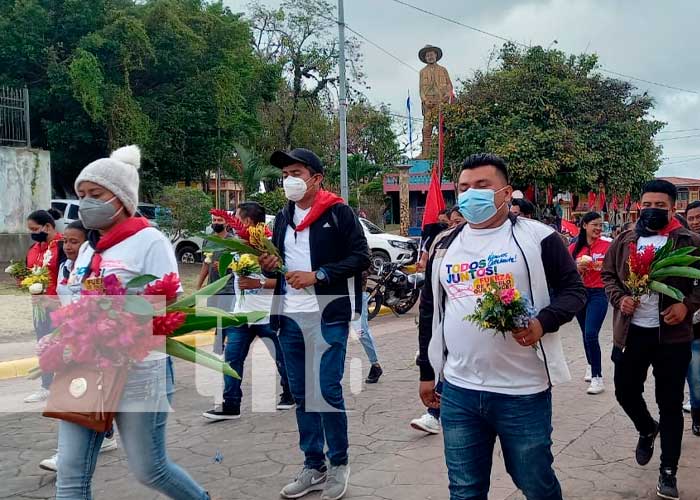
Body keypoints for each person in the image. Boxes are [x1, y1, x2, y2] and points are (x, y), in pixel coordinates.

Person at [418, 153, 585, 500]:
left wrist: (542, 323)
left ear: (506, 193)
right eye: (463, 187)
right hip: (459, 390)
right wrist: (426, 371)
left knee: (534, 482)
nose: (469, 194)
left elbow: (574, 292)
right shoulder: (444, 244)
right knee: (464, 490)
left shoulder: (538, 238)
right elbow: (430, 311)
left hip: (523, 391)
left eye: (482, 186)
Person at [56, 145, 210, 499]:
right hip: (84, 367)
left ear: (122, 197)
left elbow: (169, 307)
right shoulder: (87, 248)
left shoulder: (149, 241)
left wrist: (119, 320)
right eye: (82, 196)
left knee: (149, 469)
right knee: (70, 472)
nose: (86, 204)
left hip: (140, 371)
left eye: (95, 195)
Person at [259, 148, 370, 500]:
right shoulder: (282, 216)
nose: (289, 180)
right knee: (303, 395)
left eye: (296, 172)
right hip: (289, 318)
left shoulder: (338, 212)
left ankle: (339, 462)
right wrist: (266, 264)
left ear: (316, 178)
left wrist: (319, 275)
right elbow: (278, 267)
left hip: (327, 314)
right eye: (285, 174)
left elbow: (361, 257)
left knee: (326, 390)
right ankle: (314, 464)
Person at [602, 180, 700, 500]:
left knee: (670, 403)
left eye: (660, 205)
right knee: (624, 391)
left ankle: (667, 471)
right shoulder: (625, 239)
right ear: (639, 205)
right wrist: (619, 299)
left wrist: (686, 305)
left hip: (672, 337)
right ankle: (646, 427)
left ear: (673, 208)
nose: (653, 210)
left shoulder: (689, 241)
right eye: (648, 204)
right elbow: (608, 276)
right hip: (631, 334)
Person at [202, 201, 294, 420]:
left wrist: (258, 285)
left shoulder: (270, 247)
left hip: (267, 316)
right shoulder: (235, 246)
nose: (233, 221)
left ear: (248, 221)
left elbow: (286, 280)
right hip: (240, 314)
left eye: (237, 217)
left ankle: (290, 393)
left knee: (281, 358)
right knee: (232, 359)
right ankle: (231, 405)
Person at [39, 221, 118, 472]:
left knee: (73, 397)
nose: (68, 246)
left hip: (87, 341)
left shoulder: (94, 268)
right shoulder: (65, 267)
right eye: (66, 241)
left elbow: (91, 307)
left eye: (74, 242)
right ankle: (103, 438)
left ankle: (66, 456)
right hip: (70, 336)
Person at [24, 210, 63, 403]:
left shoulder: (65, 246)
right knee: (44, 344)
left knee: (64, 345)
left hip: (61, 306)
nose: (32, 233)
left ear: (47, 226)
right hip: (40, 307)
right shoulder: (34, 248)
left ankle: (69, 385)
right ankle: (46, 386)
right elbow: (27, 273)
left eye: (34, 229)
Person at [569, 212, 611, 395]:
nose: (598, 228)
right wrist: (577, 268)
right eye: (595, 224)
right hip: (580, 294)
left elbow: (615, 267)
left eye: (601, 225)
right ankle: (590, 363)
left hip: (599, 293)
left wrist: (604, 268)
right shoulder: (573, 248)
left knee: (591, 333)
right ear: (584, 225)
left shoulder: (608, 246)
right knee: (585, 332)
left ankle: (597, 377)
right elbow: (567, 274)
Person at [196, 209, 236, 355]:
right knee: (215, 317)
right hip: (213, 287)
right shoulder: (208, 240)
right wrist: (199, 285)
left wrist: (226, 266)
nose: (216, 223)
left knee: (222, 318)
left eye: (219, 220)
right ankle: (221, 346)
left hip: (228, 287)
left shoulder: (233, 241)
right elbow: (205, 264)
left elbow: (241, 263)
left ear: (226, 222)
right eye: (214, 220)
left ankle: (218, 348)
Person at [683, 200, 700, 431]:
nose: (695, 222)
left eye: (699, 218)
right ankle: (697, 415)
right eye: (692, 218)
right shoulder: (682, 248)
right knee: (695, 375)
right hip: (693, 325)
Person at [352, 270, 383, 384]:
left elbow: (364, 266)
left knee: (361, 332)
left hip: (356, 295)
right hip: (337, 295)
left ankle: (375, 365)